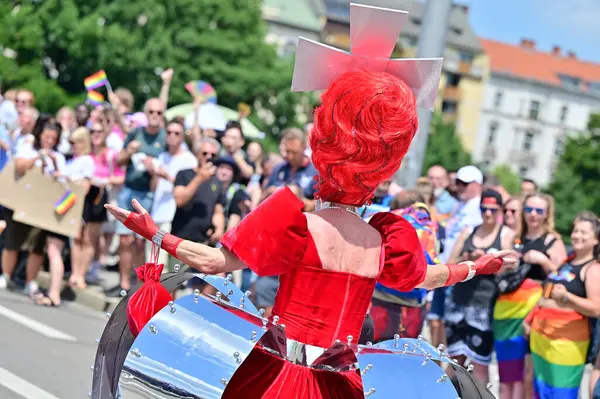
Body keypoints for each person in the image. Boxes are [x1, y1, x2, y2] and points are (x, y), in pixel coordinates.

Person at [106, 62, 517, 397]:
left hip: (276, 376)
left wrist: (156, 234)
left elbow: (213, 262)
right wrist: (477, 267)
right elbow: (426, 278)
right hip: (343, 382)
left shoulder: (297, 221)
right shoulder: (384, 238)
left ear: (323, 154)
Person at [524, 212, 600, 399]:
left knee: (561, 394)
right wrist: (531, 318)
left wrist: (567, 297)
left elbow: (597, 308)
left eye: (584, 232)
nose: (577, 236)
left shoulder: (593, 268)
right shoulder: (568, 261)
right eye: (575, 231)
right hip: (542, 338)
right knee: (541, 392)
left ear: (596, 239)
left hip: (566, 344)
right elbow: (547, 294)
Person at [443, 189, 514, 384]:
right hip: (459, 301)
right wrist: (468, 258)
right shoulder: (469, 230)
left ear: (500, 210)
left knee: (479, 363)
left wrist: (487, 262)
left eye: (493, 209)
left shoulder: (506, 234)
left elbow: (509, 268)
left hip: (485, 305)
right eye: (484, 209)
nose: (488, 213)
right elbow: (450, 263)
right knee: (454, 359)